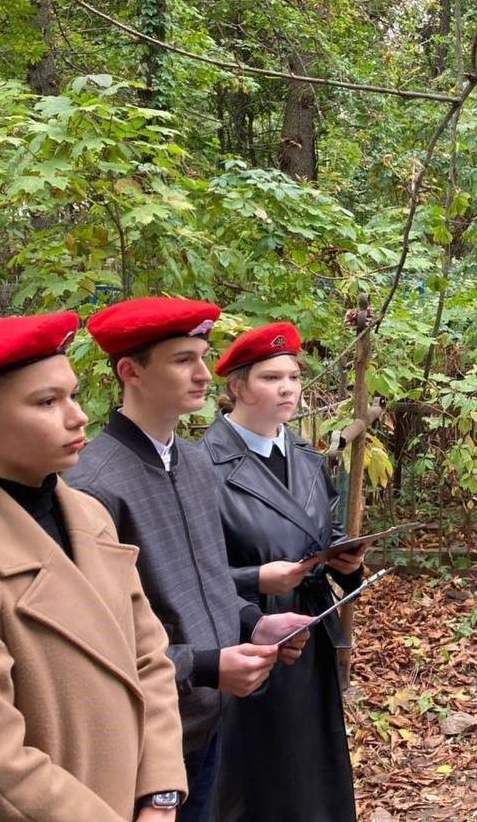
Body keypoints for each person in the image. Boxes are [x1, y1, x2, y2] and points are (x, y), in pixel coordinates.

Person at [0, 311, 187, 821]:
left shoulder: (89, 516)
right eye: (47, 402)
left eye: (73, 395)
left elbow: (150, 660)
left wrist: (160, 795)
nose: (78, 416)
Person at [65, 297, 312, 822]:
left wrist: (254, 623)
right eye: (183, 360)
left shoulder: (195, 464)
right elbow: (97, 642)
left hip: (211, 721)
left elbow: (210, 579)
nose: (203, 374)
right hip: (148, 741)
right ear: (130, 372)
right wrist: (203, 666)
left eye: (202, 357)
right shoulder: (92, 487)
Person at [200, 321, 365, 822]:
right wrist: (256, 580)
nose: (288, 388)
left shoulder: (307, 459)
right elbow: (186, 574)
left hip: (308, 635)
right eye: (271, 378)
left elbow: (324, 531)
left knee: (311, 778)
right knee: (255, 785)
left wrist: (346, 560)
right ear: (236, 386)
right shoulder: (203, 467)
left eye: (293, 376)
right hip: (246, 643)